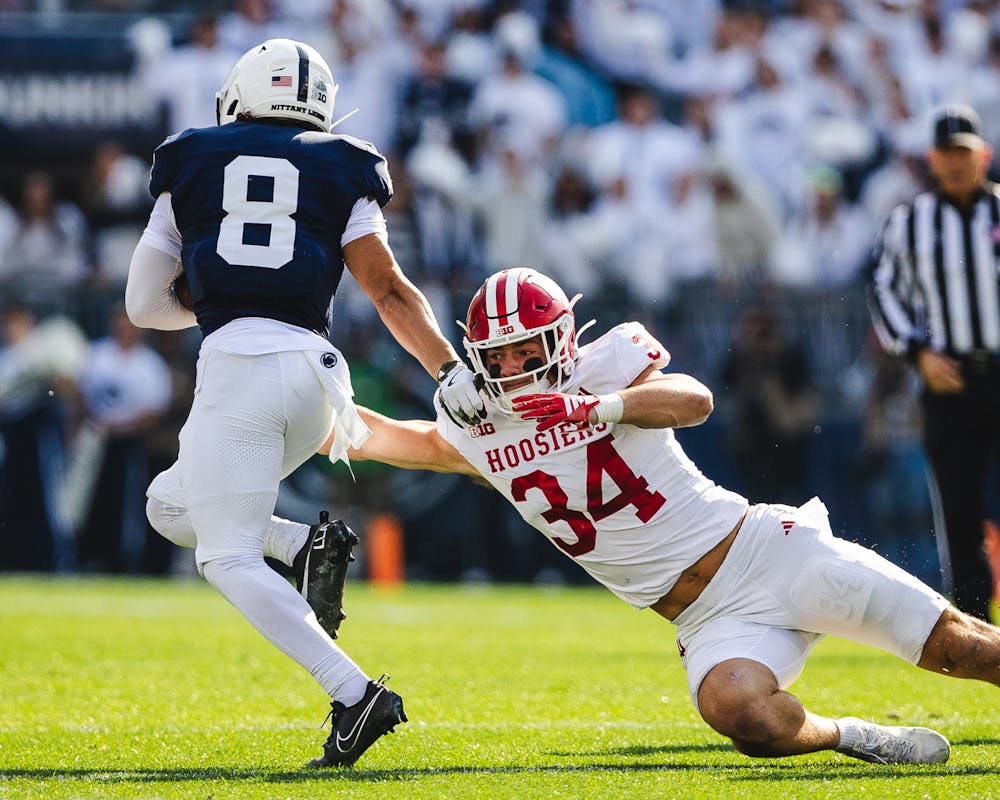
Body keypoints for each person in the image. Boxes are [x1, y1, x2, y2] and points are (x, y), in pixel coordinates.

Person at [335, 266, 1000, 765]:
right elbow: (378, 436)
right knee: (743, 717)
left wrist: (596, 408)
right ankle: (858, 737)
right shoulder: (480, 431)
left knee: (963, 648)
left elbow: (695, 399)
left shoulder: (606, 370)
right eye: (497, 355)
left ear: (560, 339)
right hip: (705, 620)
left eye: (526, 350)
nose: (512, 368)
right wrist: (295, 398)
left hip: (767, 554)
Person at [124, 38, 485, 768]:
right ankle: (299, 545)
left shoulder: (189, 157)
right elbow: (388, 290)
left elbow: (142, 305)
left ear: (238, 93)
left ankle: (354, 694)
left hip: (241, 370)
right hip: (318, 380)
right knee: (168, 506)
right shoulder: (343, 163)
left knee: (225, 556)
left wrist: (226, 296)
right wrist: (449, 370)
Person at [869, 104, 1000, 621]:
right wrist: (916, 352)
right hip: (949, 379)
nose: (956, 162)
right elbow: (882, 289)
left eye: (964, 152)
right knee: (959, 507)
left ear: (983, 155)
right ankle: (975, 627)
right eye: (947, 153)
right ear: (933, 159)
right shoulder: (910, 222)